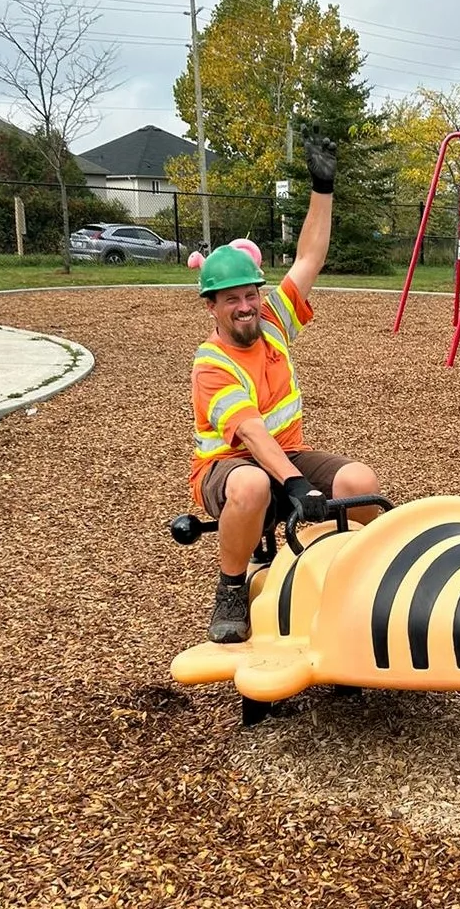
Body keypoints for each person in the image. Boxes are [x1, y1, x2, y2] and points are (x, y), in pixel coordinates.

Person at [188, 127, 382, 644]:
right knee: (252, 484)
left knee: (360, 480)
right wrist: (296, 485)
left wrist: (323, 189)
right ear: (212, 306)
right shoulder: (212, 363)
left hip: (290, 454)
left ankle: (381, 569)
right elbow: (250, 434)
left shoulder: (273, 321)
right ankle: (231, 588)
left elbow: (309, 258)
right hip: (227, 472)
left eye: (250, 294)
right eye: (231, 299)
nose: (246, 306)